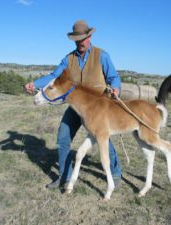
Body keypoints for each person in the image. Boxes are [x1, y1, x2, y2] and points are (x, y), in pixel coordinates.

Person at [24, 20, 122, 189]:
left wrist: (115, 89)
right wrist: (36, 84)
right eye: (77, 40)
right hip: (75, 106)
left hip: (98, 107)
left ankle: (115, 172)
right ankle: (65, 177)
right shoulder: (68, 59)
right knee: (63, 138)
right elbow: (54, 75)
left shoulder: (101, 55)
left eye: (83, 39)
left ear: (89, 37)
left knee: (103, 139)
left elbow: (114, 77)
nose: (80, 42)